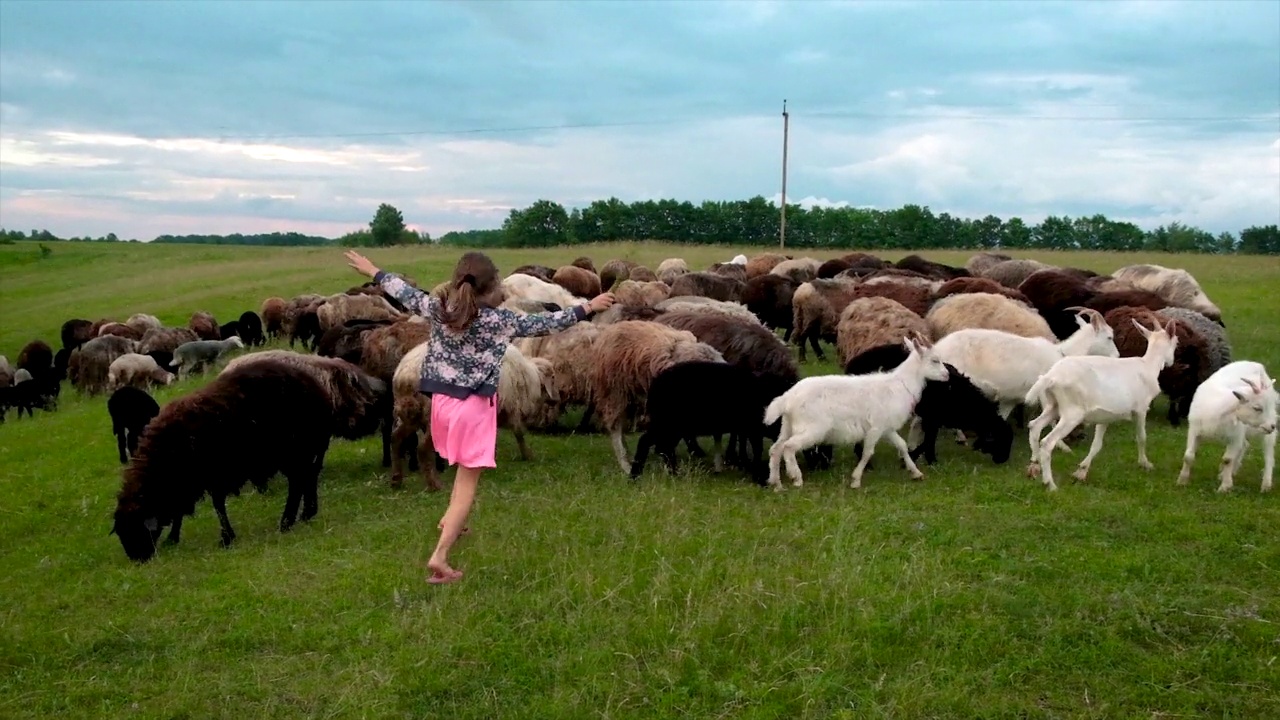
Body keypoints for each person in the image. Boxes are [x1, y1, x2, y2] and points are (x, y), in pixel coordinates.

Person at [344, 249, 616, 584]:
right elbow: (547, 322)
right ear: (493, 288)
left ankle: (452, 521)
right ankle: (440, 557)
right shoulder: (500, 321)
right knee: (466, 483)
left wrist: (373, 270)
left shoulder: (439, 309)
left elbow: (404, 292)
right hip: (472, 409)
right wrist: (589, 306)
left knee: (461, 474)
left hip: (441, 405)